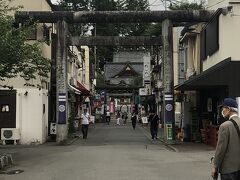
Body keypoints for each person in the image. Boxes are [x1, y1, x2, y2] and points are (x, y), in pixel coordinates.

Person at [211, 98, 240, 180]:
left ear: (228, 109)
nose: (222, 110)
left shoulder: (225, 126)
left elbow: (220, 149)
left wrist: (215, 166)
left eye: (223, 108)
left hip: (229, 169)